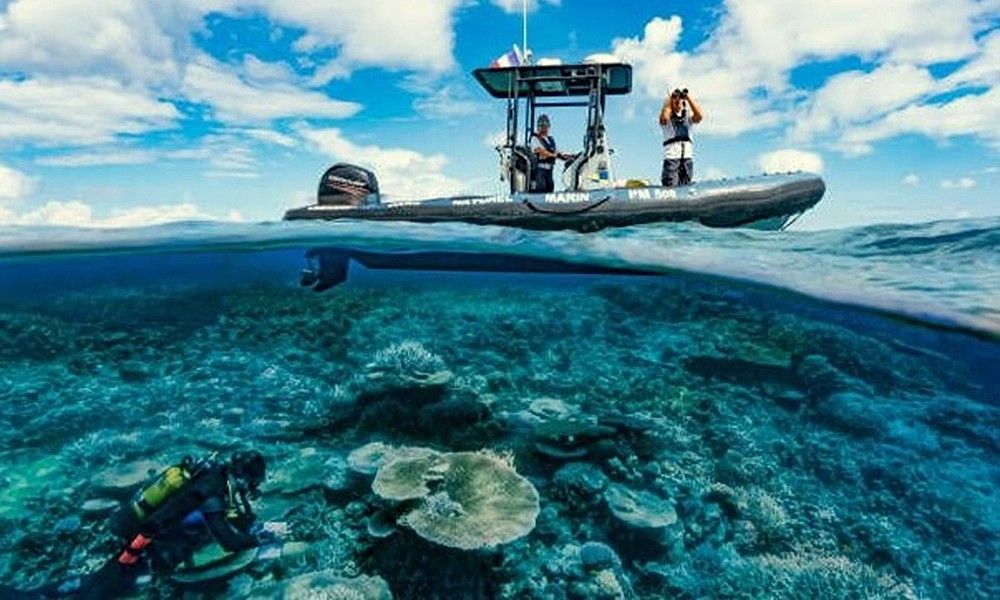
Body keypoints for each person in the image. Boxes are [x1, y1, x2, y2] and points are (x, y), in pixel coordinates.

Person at [80, 451, 271, 598]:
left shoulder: (214, 470)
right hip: (145, 535)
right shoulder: (212, 494)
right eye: (252, 484)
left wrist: (247, 522)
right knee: (118, 578)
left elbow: (230, 512)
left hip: (139, 519)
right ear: (245, 478)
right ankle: (86, 591)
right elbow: (229, 542)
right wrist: (260, 537)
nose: (250, 490)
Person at [659, 87, 703, 187]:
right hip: (672, 160)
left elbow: (699, 116)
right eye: (675, 98)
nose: (678, 100)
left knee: (686, 188)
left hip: (687, 160)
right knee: (671, 189)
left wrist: (687, 97)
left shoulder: (688, 119)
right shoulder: (667, 121)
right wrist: (669, 101)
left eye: (680, 98)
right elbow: (664, 118)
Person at [530, 114, 573, 193]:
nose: (544, 128)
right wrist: (553, 155)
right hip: (540, 171)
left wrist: (571, 157)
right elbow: (539, 150)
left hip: (549, 171)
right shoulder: (535, 138)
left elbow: (559, 153)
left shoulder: (551, 140)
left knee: (549, 191)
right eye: (541, 126)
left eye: (545, 126)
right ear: (538, 127)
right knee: (540, 193)